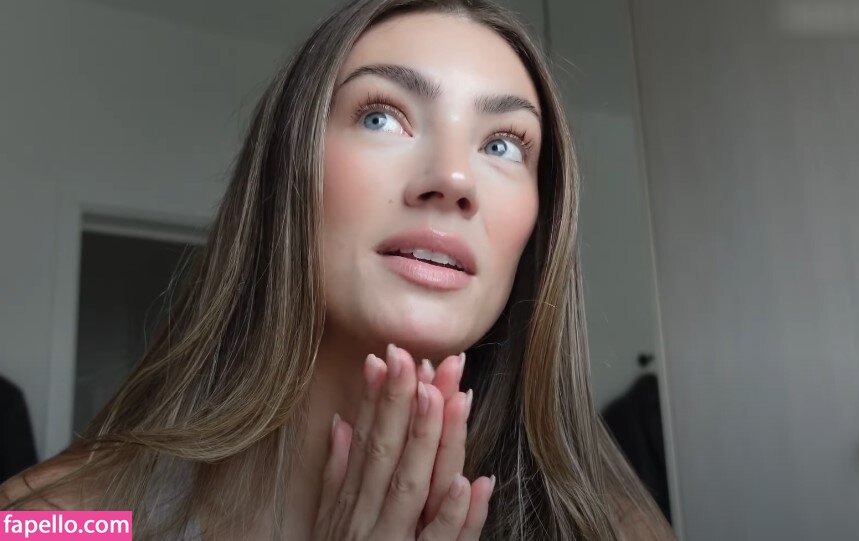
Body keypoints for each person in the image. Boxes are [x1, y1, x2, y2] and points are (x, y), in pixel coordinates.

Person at [0, 0, 676, 539]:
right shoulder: (58, 520)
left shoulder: (615, 531)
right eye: (382, 117)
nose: (452, 178)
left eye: (502, 144)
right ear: (287, 177)